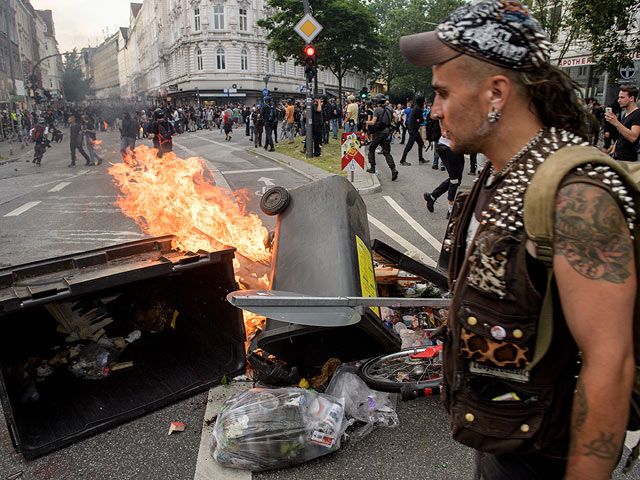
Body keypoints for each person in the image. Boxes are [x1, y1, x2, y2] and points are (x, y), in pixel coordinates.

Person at [399, 1, 635, 479]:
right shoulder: (498, 172)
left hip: (545, 459)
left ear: (496, 93)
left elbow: (610, 364)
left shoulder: (576, 197)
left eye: (443, 93)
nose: (435, 110)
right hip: (501, 436)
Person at [423, 130, 464, 218]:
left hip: (457, 147)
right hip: (448, 147)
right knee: (455, 179)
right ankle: (451, 210)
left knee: (457, 178)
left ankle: (432, 196)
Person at [366, 94, 398, 181]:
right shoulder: (390, 108)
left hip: (379, 133)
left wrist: (366, 122)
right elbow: (396, 117)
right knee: (387, 152)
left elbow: (373, 122)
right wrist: (392, 123)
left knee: (371, 148)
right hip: (387, 132)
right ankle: (393, 169)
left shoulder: (377, 110)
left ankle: (372, 168)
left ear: (377, 102)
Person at [605, 85, 640, 161]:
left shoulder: (637, 114)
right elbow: (621, 137)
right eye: (619, 97)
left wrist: (616, 122)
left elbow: (633, 137)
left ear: (631, 98)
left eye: (622, 97)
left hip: (627, 159)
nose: (618, 100)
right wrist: (612, 151)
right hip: (618, 157)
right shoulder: (625, 114)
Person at [399, 96, 427, 166]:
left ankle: (421, 159)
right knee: (409, 146)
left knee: (420, 143)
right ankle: (402, 160)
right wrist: (423, 118)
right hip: (413, 130)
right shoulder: (419, 109)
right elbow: (421, 121)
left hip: (413, 129)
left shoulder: (416, 108)